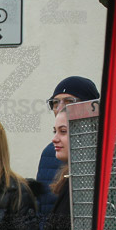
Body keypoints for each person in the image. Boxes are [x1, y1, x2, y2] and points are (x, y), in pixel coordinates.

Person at [35, 76, 98, 218]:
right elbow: (42, 207)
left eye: (69, 101)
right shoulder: (50, 152)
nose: (60, 108)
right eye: (55, 103)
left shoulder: (106, 151)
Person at [40, 110, 74, 230]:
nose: (54, 139)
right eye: (55, 131)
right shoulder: (68, 179)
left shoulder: (83, 184)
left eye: (63, 131)